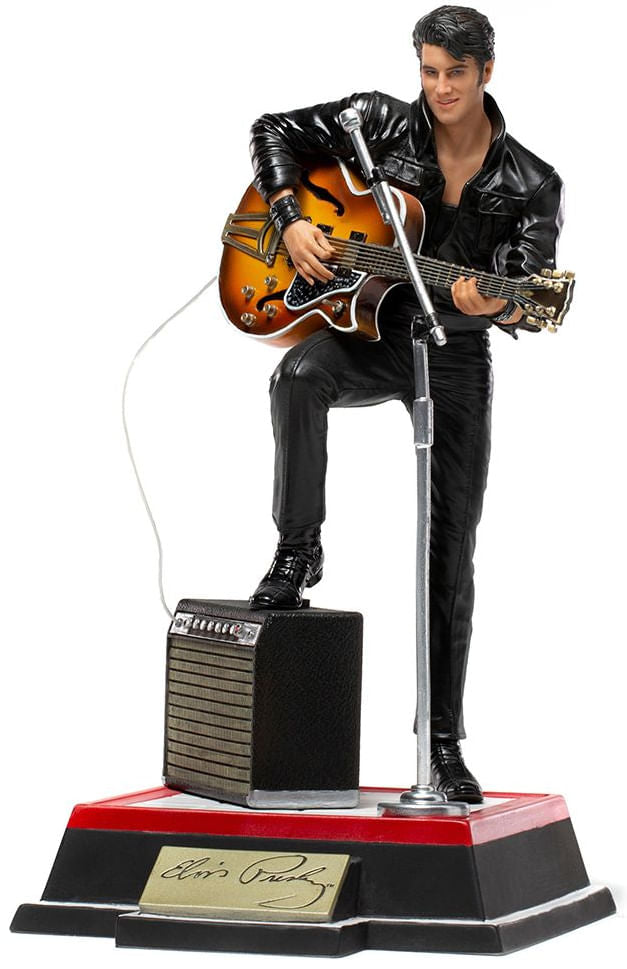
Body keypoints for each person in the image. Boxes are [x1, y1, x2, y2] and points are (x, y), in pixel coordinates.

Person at [246, 5, 564, 802]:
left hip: (454, 351)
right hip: (370, 330)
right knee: (297, 377)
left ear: (486, 71)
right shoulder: (379, 122)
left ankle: (442, 745)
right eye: (428, 71)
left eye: (455, 73)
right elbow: (272, 130)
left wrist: (497, 299)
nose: (439, 88)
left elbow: (527, 286)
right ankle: (298, 549)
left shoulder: (531, 182)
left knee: (449, 548)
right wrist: (290, 221)